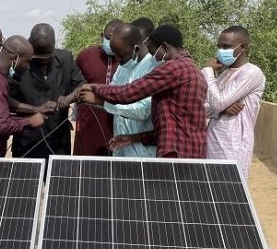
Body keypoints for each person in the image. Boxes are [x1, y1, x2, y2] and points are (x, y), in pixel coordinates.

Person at [79, 24, 208, 159]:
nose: (153, 59)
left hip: (179, 154)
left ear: (164, 47)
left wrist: (96, 88)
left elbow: (128, 93)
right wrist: (132, 138)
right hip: (184, 151)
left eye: (152, 53)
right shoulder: (189, 67)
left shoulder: (174, 68)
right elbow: (170, 127)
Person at [10, 24, 85, 159]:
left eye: (48, 59)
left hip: (59, 140)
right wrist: (36, 109)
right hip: (27, 141)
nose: (44, 63)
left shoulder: (66, 59)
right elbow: (7, 100)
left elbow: (81, 85)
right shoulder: (19, 62)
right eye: (39, 59)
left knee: (58, 178)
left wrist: (70, 97)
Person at [202, 25, 266, 179]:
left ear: (242, 47)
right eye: (219, 47)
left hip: (233, 146)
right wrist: (222, 109)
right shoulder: (224, 75)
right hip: (212, 142)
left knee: (229, 194)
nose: (221, 51)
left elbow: (216, 103)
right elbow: (203, 108)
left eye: (226, 47)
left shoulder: (251, 72)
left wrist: (207, 71)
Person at [103, 22, 159, 157]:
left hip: (143, 151)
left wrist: (102, 103)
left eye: (121, 55)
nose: (118, 59)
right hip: (120, 144)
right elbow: (112, 93)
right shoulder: (123, 67)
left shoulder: (154, 68)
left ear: (136, 49)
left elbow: (143, 110)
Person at [73, 18, 122, 156]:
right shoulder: (85, 56)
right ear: (102, 36)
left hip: (116, 121)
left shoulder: (126, 60)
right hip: (89, 120)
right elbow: (75, 85)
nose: (110, 43)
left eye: (115, 39)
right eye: (108, 38)